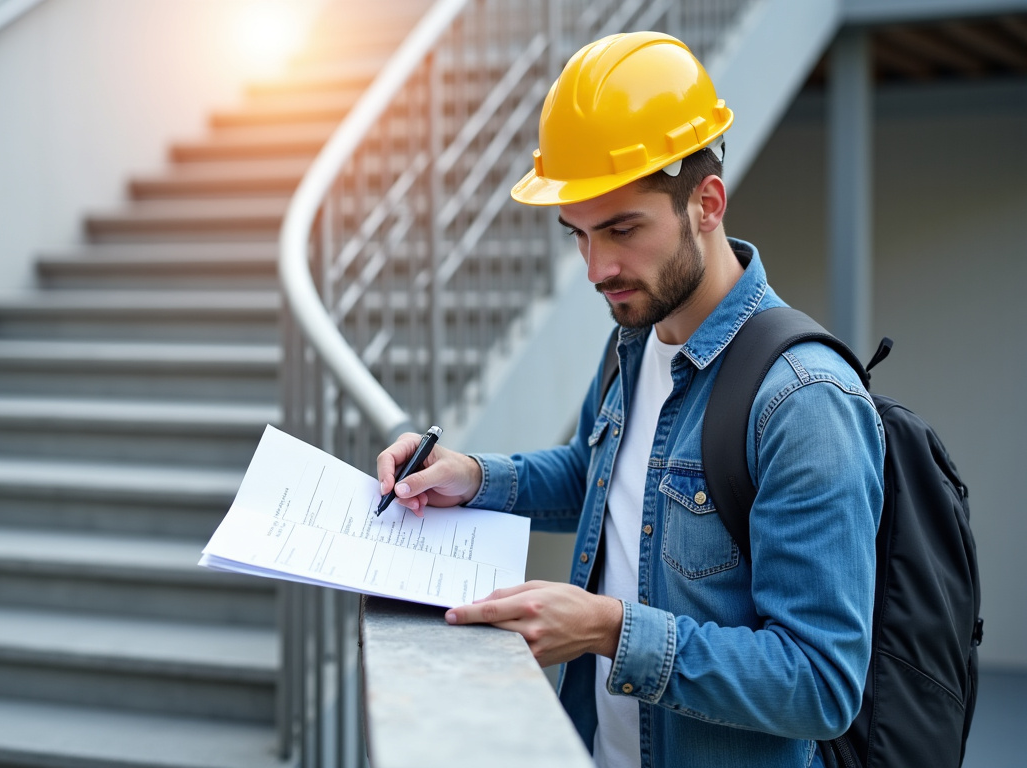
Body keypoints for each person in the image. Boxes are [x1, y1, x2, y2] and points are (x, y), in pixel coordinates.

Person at [375, 31, 884, 768]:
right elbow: (601, 477)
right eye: (578, 234)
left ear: (706, 203)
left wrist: (612, 630)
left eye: (622, 229)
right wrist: (474, 478)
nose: (596, 268)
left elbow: (820, 687)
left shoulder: (805, 403)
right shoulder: (637, 338)